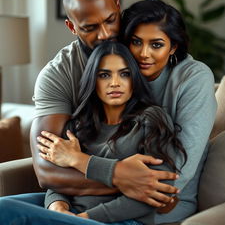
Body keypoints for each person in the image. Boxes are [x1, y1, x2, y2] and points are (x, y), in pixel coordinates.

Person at [29, 0, 179, 211]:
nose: (105, 34)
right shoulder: (59, 77)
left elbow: (163, 186)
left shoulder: (145, 52)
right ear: (72, 26)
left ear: (118, 7)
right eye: (90, 28)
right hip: (74, 203)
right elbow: (48, 171)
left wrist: (85, 165)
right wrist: (122, 177)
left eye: (111, 20)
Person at [0, 41, 187, 225]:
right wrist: (58, 208)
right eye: (104, 75)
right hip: (68, 212)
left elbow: (157, 193)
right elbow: (60, 180)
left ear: (134, 80)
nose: (115, 83)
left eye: (124, 74)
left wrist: (84, 218)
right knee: (3, 205)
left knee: (9, 212)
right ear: (93, 80)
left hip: (118, 219)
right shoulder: (79, 124)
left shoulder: (152, 119)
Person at [118, 0, 217, 223]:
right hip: (104, 194)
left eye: (156, 44)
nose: (144, 53)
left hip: (159, 206)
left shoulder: (194, 77)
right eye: (136, 42)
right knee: (19, 207)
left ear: (173, 47)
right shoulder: (116, 74)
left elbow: (180, 167)